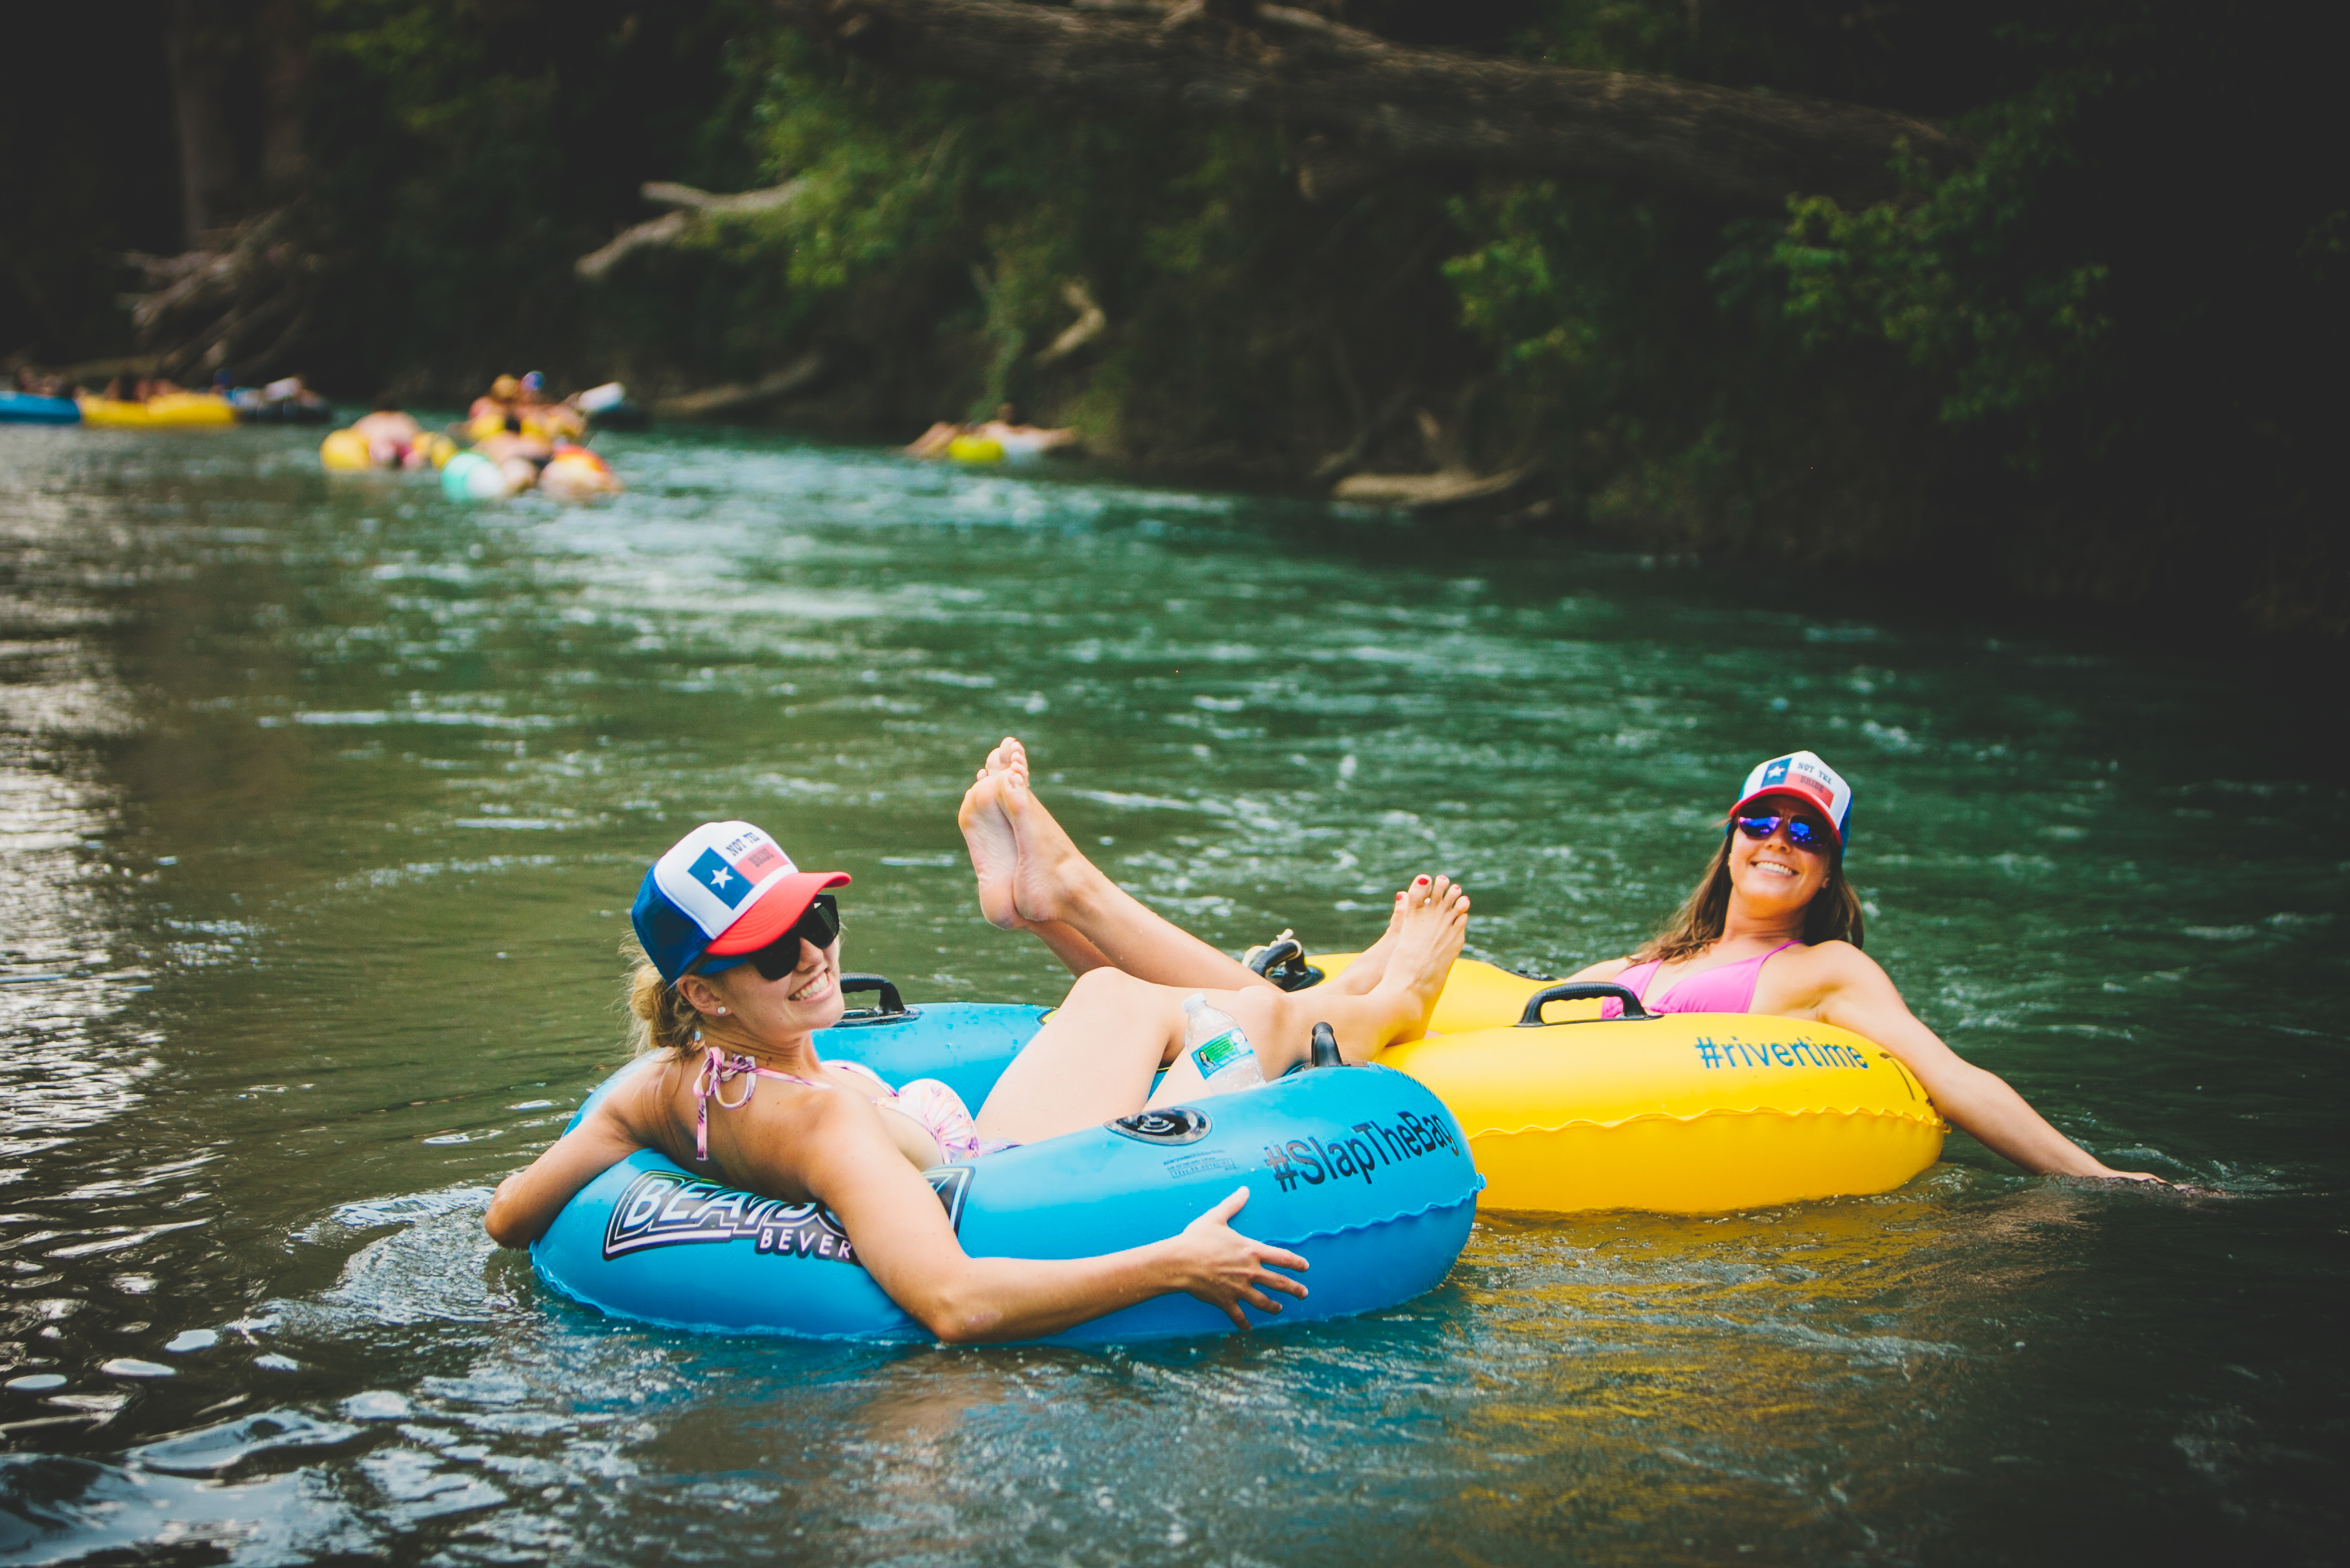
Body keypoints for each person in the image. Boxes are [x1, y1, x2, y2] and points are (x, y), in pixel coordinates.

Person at [484, 739, 1471, 1342]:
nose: (815, 955)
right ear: (702, 990)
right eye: (773, 949)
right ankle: (1382, 999)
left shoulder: (659, 1083)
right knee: (1246, 1021)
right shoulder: (819, 1120)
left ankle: (1326, 981)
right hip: (1032, 1182)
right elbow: (954, 1303)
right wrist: (1174, 1263)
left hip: (978, 1152)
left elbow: (507, 1216)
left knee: (1114, 993)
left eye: (817, 921)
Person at [1564, 750, 2162, 1183]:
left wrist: (2100, 1176)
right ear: (1730, 845)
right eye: (1759, 822)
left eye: (1806, 833)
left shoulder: (1826, 969)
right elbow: (1518, 1021)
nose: (1778, 840)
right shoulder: (1644, 962)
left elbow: (1952, 1079)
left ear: (1828, 873)